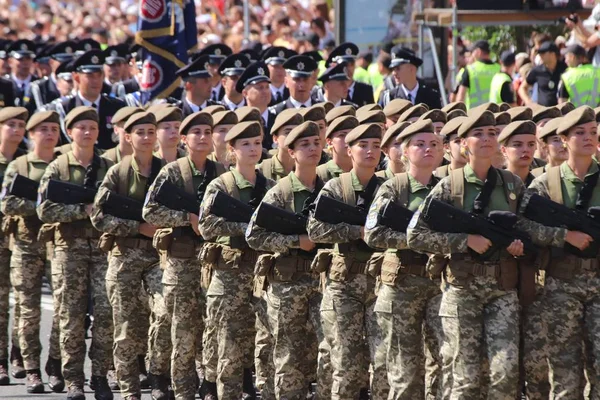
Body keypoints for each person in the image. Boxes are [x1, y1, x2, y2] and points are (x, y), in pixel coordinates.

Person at [406, 109, 574, 398]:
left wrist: (521, 244)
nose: (486, 139)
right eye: (478, 134)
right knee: (464, 377)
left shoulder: (511, 184)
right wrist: (465, 241)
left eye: (492, 134)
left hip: (502, 289)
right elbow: (415, 235)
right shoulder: (450, 185)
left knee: (505, 371)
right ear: (463, 143)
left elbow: (528, 227)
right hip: (461, 291)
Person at [143, 111, 227, 400]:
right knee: (182, 326)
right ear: (184, 139)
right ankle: (182, 389)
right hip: (180, 259)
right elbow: (150, 211)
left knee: (211, 324)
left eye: (207, 132)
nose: (203, 137)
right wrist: (186, 217)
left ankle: (208, 382)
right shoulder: (173, 172)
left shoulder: (220, 172)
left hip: (212, 260)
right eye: (196, 133)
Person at [246, 121, 330, 399]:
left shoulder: (329, 190)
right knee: (288, 354)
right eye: (305, 145)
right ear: (291, 152)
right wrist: (296, 242)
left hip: (323, 281)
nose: (313, 149)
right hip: (288, 283)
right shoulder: (280, 192)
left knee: (329, 348)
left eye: (316, 143)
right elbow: (254, 236)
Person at [90, 111, 170, 400]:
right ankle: (129, 389)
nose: (147, 137)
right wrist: (137, 227)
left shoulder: (167, 170)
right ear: (128, 137)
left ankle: (158, 373)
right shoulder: (118, 172)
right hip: (124, 255)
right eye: (140, 132)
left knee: (164, 314)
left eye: (151, 131)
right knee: (125, 323)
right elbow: (98, 216)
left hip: (159, 256)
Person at [37, 106, 114, 400]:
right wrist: (82, 210)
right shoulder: (58, 167)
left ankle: (99, 375)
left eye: (92, 128)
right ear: (70, 132)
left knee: (106, 314)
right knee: (71, 315)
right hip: (68, 250)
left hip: (102, 250)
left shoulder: (107, 167)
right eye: (81, 127)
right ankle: (73, 379)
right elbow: (44, 209)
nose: (88, 132)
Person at [307, 123, 389, 399]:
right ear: (349, 150)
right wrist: (357, 231)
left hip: (381, 284)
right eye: (363, 146)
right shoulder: (335, 187)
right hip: (344, 285)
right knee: (345, 361)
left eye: (376, 146)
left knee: (383, 361)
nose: (370, 152)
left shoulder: (388, 187)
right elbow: (315, 229)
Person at [524, 106, 600, 398]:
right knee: (565, 370)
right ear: (563, 140)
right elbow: (522, 224)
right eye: (579, 133)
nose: (587, 138)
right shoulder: (546, 183)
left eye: (592, 132)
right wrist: (563, 236)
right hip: (561, 285)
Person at [364, 119, 441, 399]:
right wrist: (419, 239)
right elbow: (373, 234)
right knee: (403, 369)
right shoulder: (393, 189)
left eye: (433, 144)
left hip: (439, 284)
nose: (428, 149)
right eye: (419, 144)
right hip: (401, 286)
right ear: (405, 152)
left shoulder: (446, 188)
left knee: (443, 364)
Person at [198, 120, 275, 399]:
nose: (253, 148)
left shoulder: (271, 186)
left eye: (257, 143)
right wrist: (246, 228)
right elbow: (206, 226)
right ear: (232, 149)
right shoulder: (221, 185)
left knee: (268, 340)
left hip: (264, 273)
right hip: (229, 273)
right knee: (228, 344)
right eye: (246, 144)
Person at [0, 110, 62, 394]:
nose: (49, 134)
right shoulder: (20, 166)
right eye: (43, 129)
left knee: (63, 310)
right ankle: (25, 365)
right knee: (24, 309)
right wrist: (43, 206)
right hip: (24, 244)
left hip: (57, 245)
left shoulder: (64, 164)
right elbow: (8, 204)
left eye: (53, 129)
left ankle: (52, 364)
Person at [43, 49, 126, 150]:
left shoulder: (117, 106)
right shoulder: (63, 108)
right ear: (76, 78)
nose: (96, 81)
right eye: (90, 76)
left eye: (99, 75)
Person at [0, 107, 28, 385]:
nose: (17, 129)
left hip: (20, 239)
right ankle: (0, 362)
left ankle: (19, 354)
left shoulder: (25, 162)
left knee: (23, 301)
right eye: (11, 124)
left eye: (21, 125)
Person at [25, 41, 76, 113]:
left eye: (71, 61)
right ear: (51, 62)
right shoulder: (38, 87)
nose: (67, 65)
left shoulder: (78, 85)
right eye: (62, 62)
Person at [237, 61, 278, 147]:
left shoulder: (278, 119)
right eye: (260, 87)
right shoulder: (238, 121)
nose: (265, 91)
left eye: (267, 87)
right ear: (245, 93)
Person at [518, 41, 567, 107]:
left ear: (552, 54)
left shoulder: (565, 69)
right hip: (544, 113)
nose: (540, 55)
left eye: (543, 53)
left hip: (562, 112)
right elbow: (522, 88)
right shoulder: (537, 70)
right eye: (539, 53)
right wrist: (528, 102)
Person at [258, 109, 302, 181]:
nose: (294, 137)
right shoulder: (261, 171)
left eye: (298, 133)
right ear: (275, 138)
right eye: (287, 132)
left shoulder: (310, 169)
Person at [456, 40, 500, 110]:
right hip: (495, 114)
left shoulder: (470, 70)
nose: (472, 54)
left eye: (473, 52)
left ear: (478, 51)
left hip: (475, 116)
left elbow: (461, 97)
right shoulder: (499, 69)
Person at [316, 115, 357, 182]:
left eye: (352, 135)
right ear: (329, 142)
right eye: (342, 135)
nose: (348, 139)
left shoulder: (364, 170)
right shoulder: (320, 174)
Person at [6, 39, 39, 107]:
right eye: (20, 59)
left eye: (28, 58)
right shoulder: (4, 84)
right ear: (10, 62)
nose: (25, 63)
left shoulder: (38, 84)